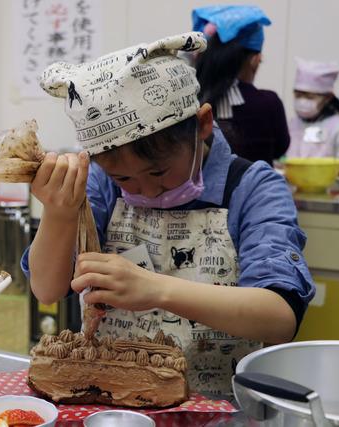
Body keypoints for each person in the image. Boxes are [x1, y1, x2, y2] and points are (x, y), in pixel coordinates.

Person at [22, 32, 314, 395]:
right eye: (124, 177)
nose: (144, 189)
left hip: (221, 407)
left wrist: (155, 289)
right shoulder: (102, 186)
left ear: (203, 124)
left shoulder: (252, 189)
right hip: (118, 400)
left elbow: (279, 316)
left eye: (158, 172)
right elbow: (47, 287)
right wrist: (59, 213)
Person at [193, 5, 290, 164]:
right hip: (259, 189)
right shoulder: (269, 104)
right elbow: (281, 148)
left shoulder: (191, 102)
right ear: (254, 60)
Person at [287, 58, 339, 158]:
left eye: (309, 97)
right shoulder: (293, 123)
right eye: (298, 96)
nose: (302, 101)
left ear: (328, 97)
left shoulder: (336, 127)